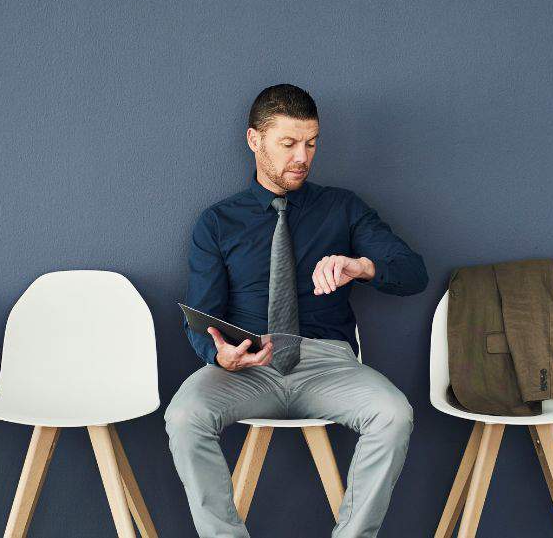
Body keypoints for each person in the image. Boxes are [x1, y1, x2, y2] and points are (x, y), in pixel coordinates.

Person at [165, 84, 428, 537]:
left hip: (329, 363)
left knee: (394, 414)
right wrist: (219, 356)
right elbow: (201, 316)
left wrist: (360, 265)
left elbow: (412, 273)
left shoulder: (343, 208)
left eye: (310, 143)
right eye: (288, 144)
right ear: (255, 141)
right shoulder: (217, 222)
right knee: (184, 416)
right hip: (247, 367)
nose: (301, 157)